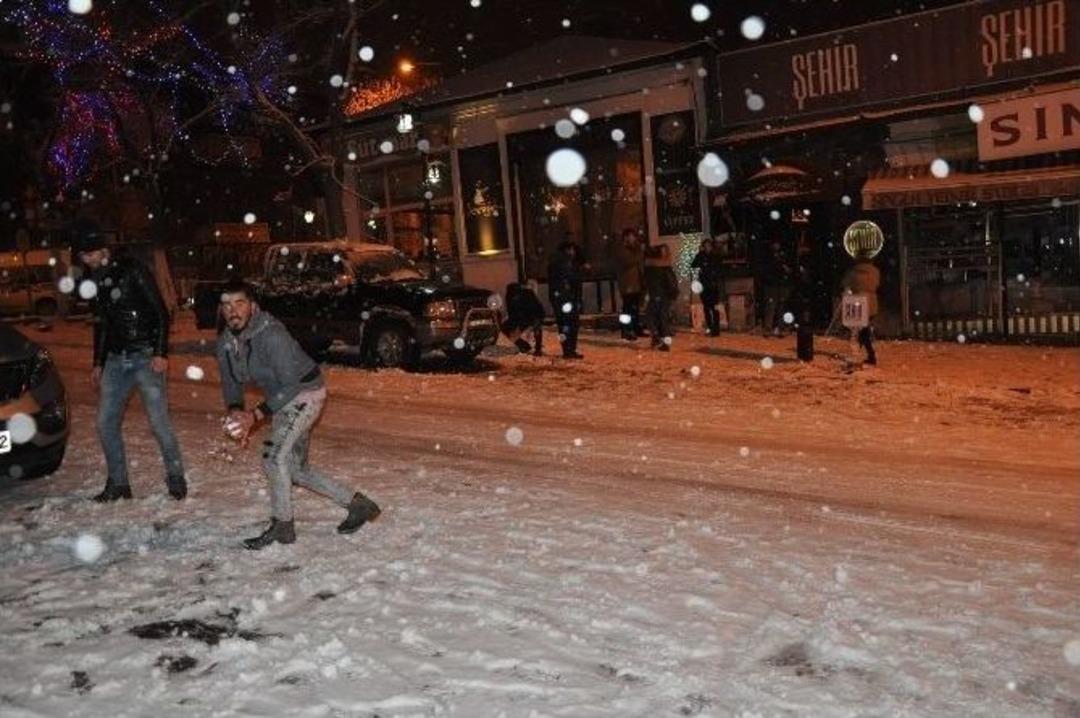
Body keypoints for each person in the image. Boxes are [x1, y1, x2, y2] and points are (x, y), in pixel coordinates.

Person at [216, 279, 380, 549]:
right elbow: (230, 381)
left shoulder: (271, 334)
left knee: (273, 458)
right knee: (295, 468)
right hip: (283, 399)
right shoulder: (226, 342)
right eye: (226, 305)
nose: (233, 311)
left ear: (253, 307)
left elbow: (291, 385)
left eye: (239, 303)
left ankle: (283, 527)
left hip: (305, 394)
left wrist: (255, 416)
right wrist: (236, 412)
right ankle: (359, 505)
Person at [72, 219, 187, 503]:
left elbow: (160, 312)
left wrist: (161, 352)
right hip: (115, 359)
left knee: (159, 422)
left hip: (146, 356)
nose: (86, 260)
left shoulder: (131, 269)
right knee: (105, 423)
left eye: (89, 254)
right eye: (83, 256)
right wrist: (97, 362)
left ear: (102, 249)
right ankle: (119, 483)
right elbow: (101, 324)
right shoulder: (94, 280)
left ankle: (175, 476)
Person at [547, 239, 584, 359]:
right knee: (570, 325)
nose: (573, 252)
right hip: (566, 299)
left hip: (563, 299)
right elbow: (574, 281)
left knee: (565, 326)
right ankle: (569, 349)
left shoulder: (559, 264)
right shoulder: (566, 264)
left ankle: (567, 349)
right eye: (572, 249)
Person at [843, 250, 881, 366]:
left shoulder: (853, 273)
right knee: (864, 329)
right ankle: (867, 353)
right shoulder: (875, 271)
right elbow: (877, 284)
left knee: (859, 331)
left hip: (858, 302)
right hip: (871, 302)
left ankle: (867, 354)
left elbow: (846, 284)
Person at [644, 244, 679, 351]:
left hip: (659, 295)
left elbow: (656, 283)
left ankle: (658, 339)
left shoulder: (653, 268)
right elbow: (672, 283)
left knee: (655, 318)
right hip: (662, 296)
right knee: (661, 319)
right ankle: (661, 340)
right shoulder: (664, 268)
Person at [615, 228, 646, 340]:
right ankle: (626, 330)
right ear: (626, 237)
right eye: (632, 236)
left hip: (636, 283)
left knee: (635, 307)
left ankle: (636, 328)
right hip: (627, 284)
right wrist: (639, 252)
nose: (634, 239)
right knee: (627, 308)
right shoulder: (622, 249)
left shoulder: (634, 249)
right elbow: (628, 261)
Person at [691, 238, 724, 337]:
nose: (707, 247)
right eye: (706, 245)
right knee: (706, 307)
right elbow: (693, 266)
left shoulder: (715, 256)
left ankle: (716, 329)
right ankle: (710, 328)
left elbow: (720, 269)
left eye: (709, 245)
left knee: (714, 308)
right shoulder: (700, 256)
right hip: (704, 285)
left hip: (713, 285)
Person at [502, 281, 545, 356]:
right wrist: (513, 326)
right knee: (504, 328)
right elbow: (511, 311)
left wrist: (537, 320)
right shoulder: (509, 296)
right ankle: (523, 345)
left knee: (537, 327)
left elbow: (537, 308)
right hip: (520, 318)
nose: (514, 297)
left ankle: (538, 349)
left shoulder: (528, 294)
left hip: (533, 315)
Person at [762, 240, 794, 336]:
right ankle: (768, 329)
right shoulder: (768, 257)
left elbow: (789, 269)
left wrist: (784, 268)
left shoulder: (783, 256)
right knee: (771, 307)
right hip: (771, 285)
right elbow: (767, 270)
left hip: (782, 284)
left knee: (781, 307)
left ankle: (780, 328)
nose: (776, 245)